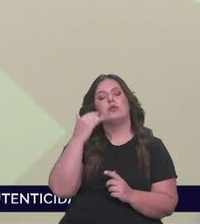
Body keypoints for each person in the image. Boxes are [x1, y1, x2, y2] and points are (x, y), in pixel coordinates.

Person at [48, 74, 178, 224]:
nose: (110, 99)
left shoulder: (153, 146)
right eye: (102, 97)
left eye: (117, 93)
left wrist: (131, 195)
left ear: (128, 102)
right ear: (95, 109)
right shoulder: (82, 145)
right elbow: (61, 189)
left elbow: (168, 203)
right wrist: (78, 138)